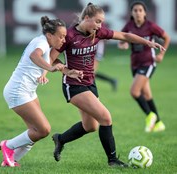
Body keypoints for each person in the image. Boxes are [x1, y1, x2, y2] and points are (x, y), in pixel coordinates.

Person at [50, 3, 165, 167]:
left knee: (90, 126)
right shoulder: (69, 35)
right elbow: (51, 57)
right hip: (73, 85)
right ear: (87, 18)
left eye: (101, 22)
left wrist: (147, 43)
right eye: (97, 21)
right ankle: (113, 161)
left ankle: (60, 139)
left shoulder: (97, 33)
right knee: (105, 117)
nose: (100, 26)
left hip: (90, 83)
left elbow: (125, 36)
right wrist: (66, 70)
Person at [0, 16, 83, 167]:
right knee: (44, 129)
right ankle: (8, 145)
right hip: (18, 91)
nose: (63, 40)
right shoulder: (41, 42)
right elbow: (34, 56)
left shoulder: (44, 43)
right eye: (61, 36)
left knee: (35, 131)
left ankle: (11, 160)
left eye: (64, 37)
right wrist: (49, 68)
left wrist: (68, 72)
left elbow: (53, 60)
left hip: (27, 91)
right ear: (50, 35)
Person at [118, 1, 170, 132]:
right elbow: (122, 39)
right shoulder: (129, 26)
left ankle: (150, 115)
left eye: (140, 10)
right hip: (135, 64)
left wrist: (161, 55)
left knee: (134, 92)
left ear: (145, 13)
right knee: (147, 95)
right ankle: (159, 123)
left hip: (148, 63)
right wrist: (122, 45)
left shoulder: (150, 26)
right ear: (131, 13)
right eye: (135, 10)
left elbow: (166, 37)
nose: (138, 13)